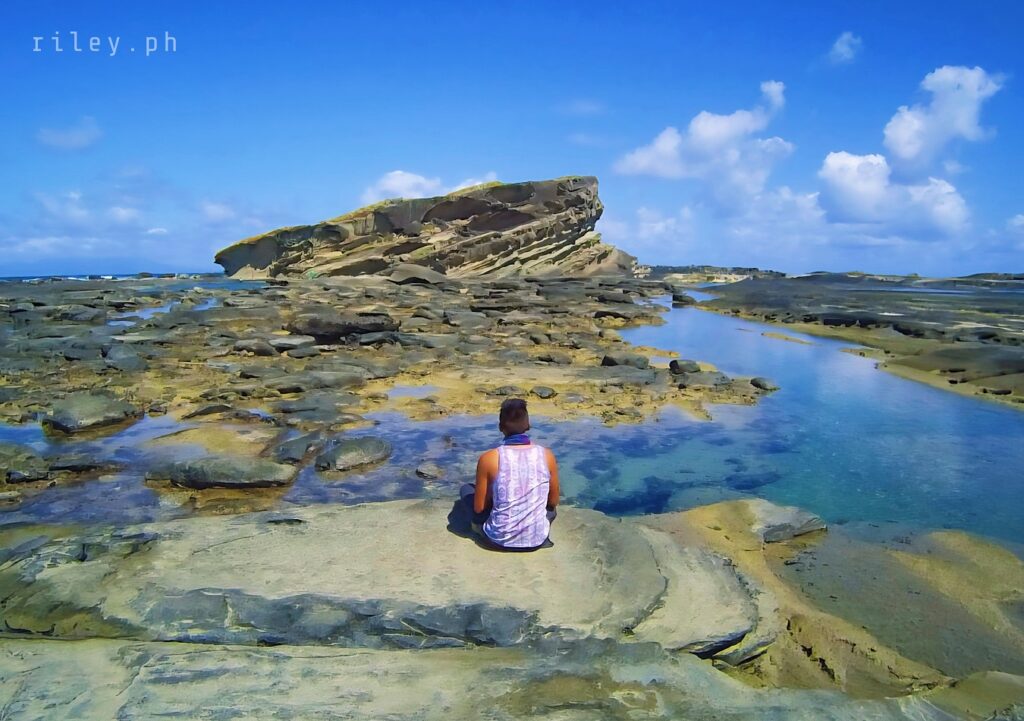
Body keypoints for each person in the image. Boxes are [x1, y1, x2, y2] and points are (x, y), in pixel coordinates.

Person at [459, 398, 559, 551]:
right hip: (537, 539)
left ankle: (479, 529)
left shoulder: (489, 458)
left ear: (500, 427)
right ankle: (532, 530)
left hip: (497, 540)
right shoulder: (547, 455)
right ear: (528, 425)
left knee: (466, 490)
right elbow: (552, 502)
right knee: (551, 510)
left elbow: (479, 508)